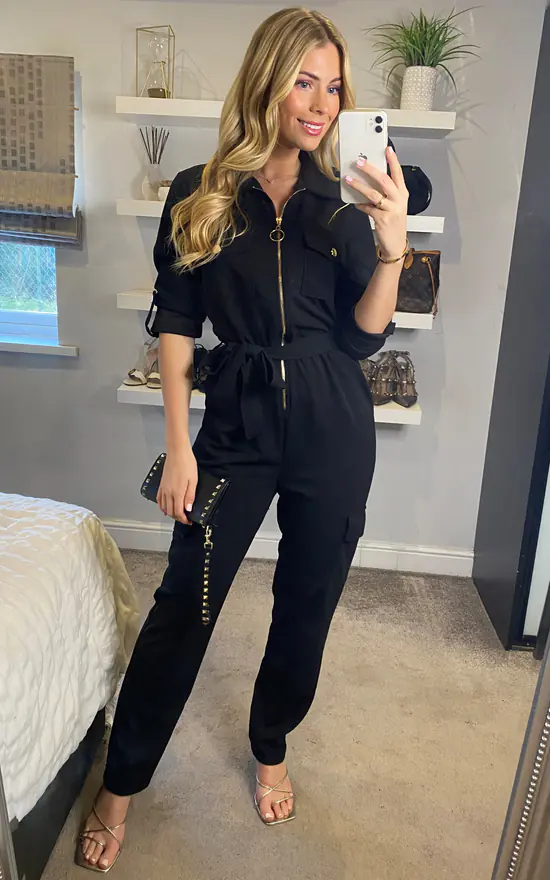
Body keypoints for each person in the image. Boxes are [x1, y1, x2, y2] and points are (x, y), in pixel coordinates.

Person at [77, 6, 408, 871]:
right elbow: (177, 322)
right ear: (267, 80)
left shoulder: (343, 202)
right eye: (304, 81)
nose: (322, 103)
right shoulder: (202, 192)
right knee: (183, 607)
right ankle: (122, 783)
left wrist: (392, 246)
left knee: (306, 605)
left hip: (334, 426)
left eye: (334, 87)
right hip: (236, 423)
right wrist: (180, 446)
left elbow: (365, 336)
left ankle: (270, 744)